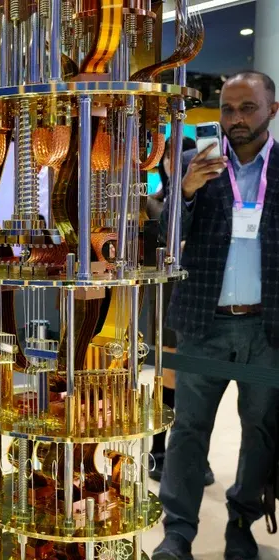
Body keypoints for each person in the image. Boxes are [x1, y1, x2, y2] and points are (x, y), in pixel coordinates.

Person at [153, 70, 279, 560]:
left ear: (272, 110)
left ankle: (241, 522)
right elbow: (164, 236)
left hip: (266, 330)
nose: (236, 119)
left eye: (248, 108)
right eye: (228, 109)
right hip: (203, 324)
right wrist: (184, 192)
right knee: (188, 429)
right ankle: (178, 532)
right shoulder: (195, 163)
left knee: (261, 429)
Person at [146, 137, 215, 487]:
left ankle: (192, 453)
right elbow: (155, 245)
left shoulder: (212, 202)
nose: (175, 162)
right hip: (169, 297)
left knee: (201, 381)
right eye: (168, 156)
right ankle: (158, 450)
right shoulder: (153, 202)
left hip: (206, 300)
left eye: (182, 155)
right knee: (169, 376)